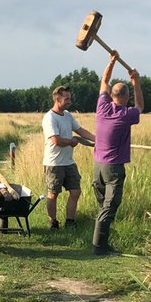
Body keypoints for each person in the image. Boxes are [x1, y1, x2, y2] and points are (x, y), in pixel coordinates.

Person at [92, 52, 144, 255]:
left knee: (103, 206)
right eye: (128, 94)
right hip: (113, 168)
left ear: (112, 96)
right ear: (125, 96)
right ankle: (100, 248)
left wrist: (111, 62)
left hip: (97, 165)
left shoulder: (102, 107)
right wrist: (136, 81)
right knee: (109, 206)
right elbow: (141, 106)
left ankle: (102, 243)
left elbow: (104, 80)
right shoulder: (126, 114)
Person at [42, 85, 95, 229]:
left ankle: (70, 222)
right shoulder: (49, 118)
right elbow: (56, 140)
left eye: (70, 98)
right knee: (53, 194)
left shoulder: (68, 115)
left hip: (68, 162)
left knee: (75, 192)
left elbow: (80, 130)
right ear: (57, 100)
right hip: (54, 163)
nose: (69, 101)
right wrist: (71, 141)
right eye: (66, 99)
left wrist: (98, 140)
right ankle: (53, 222)